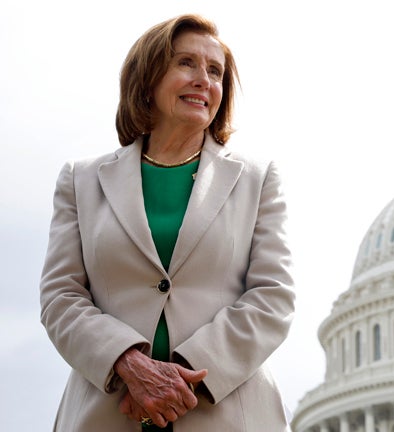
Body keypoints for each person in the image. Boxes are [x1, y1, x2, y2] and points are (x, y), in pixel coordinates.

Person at [39, 14, 295, 432]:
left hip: (225, 413)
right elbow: (60, 297)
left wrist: (183, 375)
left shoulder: (257, 178)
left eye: (215, 71)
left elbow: (273, 297)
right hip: (108, 412)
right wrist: (128, 364)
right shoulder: (80, 180)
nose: (203, 79)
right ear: (147, 79)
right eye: (186, 64)